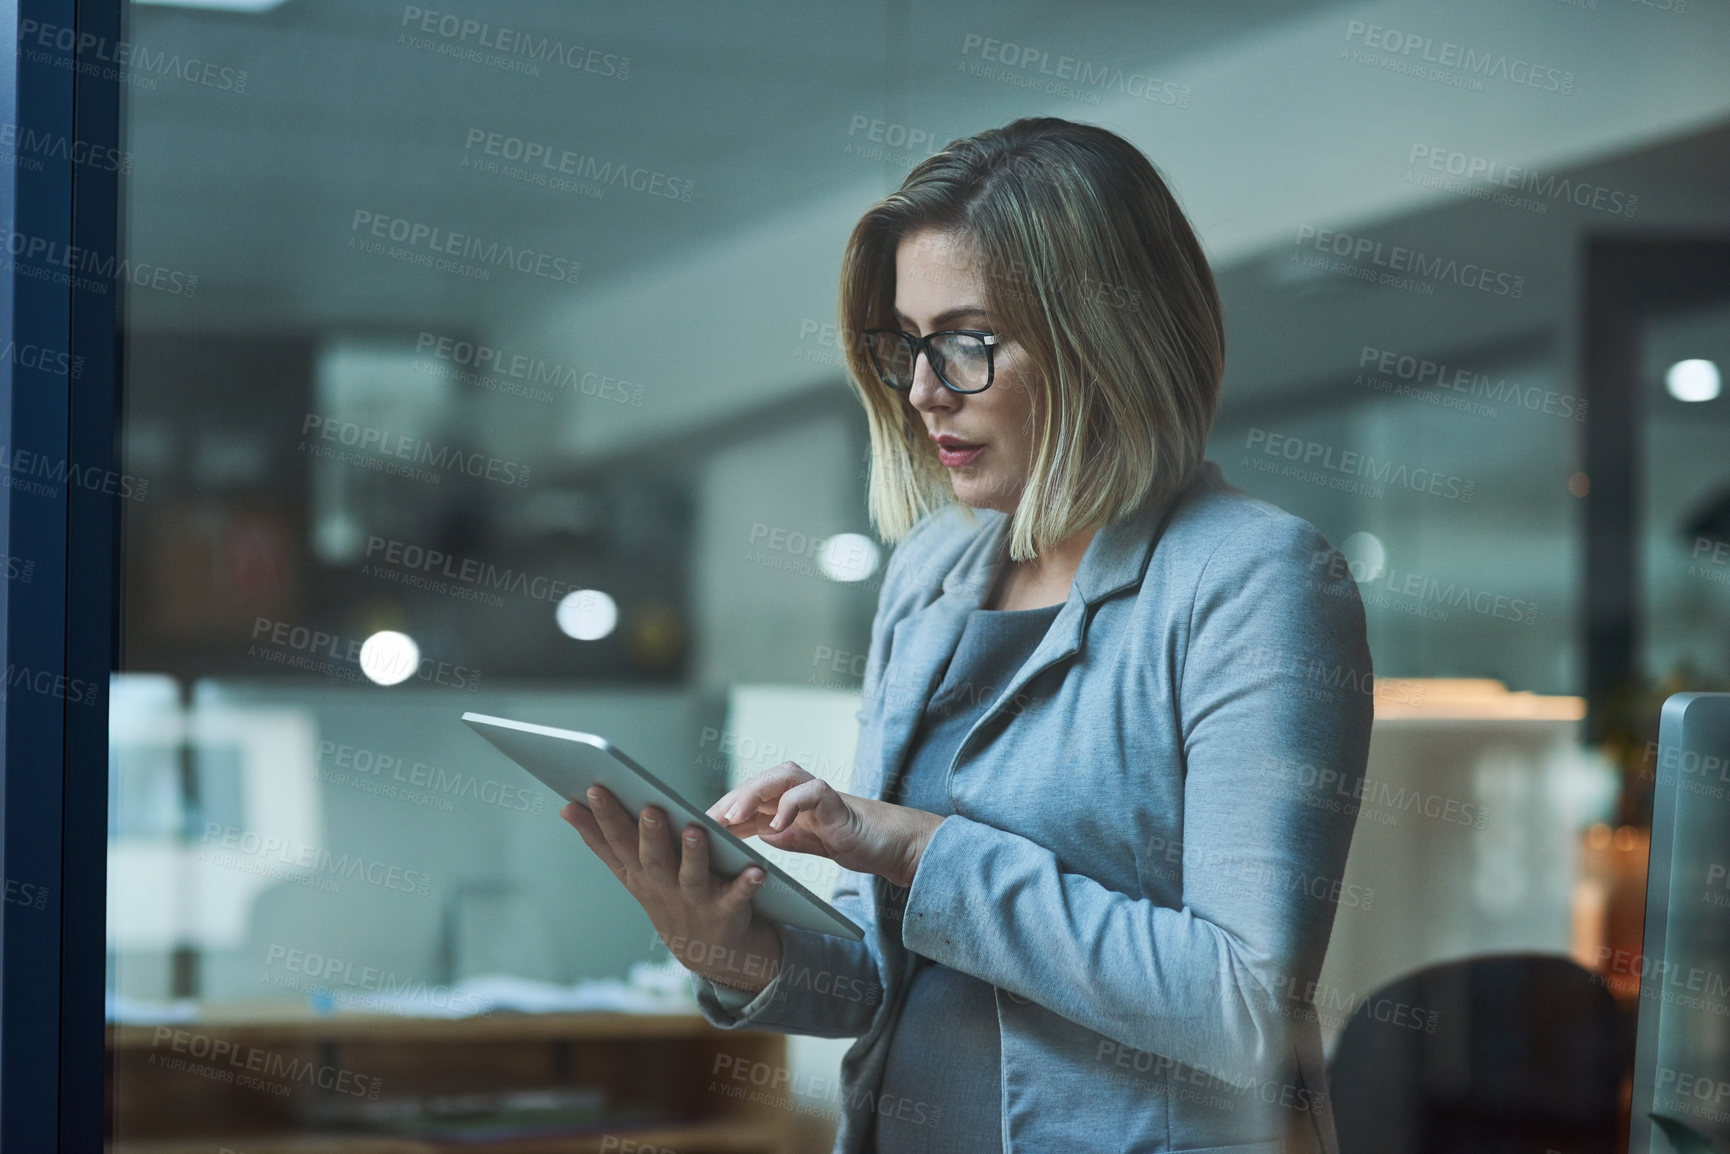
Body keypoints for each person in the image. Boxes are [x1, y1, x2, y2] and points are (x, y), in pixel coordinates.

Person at [564, 117, 1373, 1154]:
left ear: (1104, 337)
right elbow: (879, 976)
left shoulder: (1251, 578)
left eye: (966, 341)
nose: (921, 389)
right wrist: (726, 944)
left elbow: (1242, 1007)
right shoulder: (932, 571)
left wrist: (910, 841)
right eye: (906, 342)